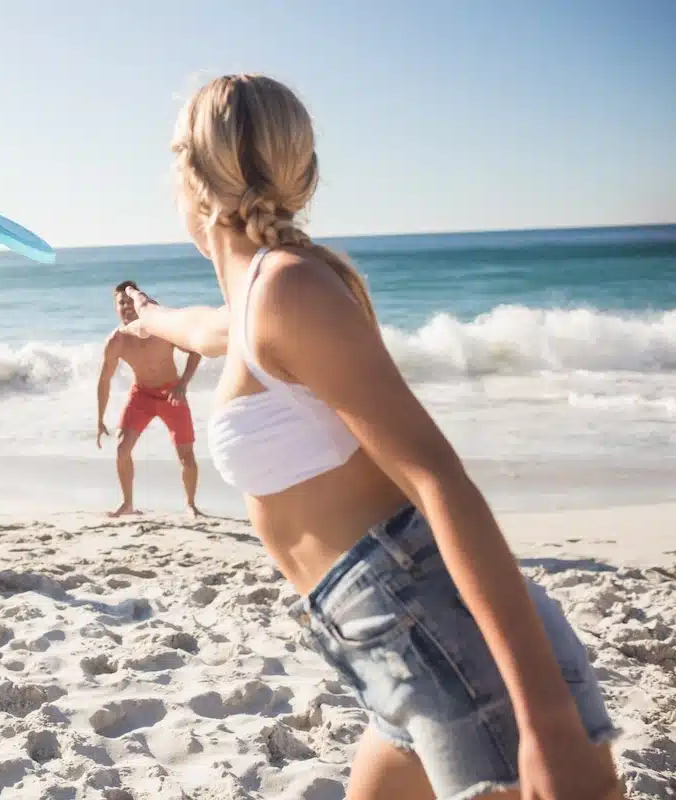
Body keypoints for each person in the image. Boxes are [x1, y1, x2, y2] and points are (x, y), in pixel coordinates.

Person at [122, 74, 622, 800]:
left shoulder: (290, 288)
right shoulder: (261, 296)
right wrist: (147, 313)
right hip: (389, 652)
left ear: (189, 178)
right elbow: (202, 327)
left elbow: (436, 478)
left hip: (444, 641)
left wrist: (544, 718)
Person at [97, 280, 203, 518]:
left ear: (138, 303)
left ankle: (191, 505)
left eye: (129, 302)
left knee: (186, 454)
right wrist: (100, 419)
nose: (126, 307)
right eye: (121, 303)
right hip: (141, 396)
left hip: (171, 394)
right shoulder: (116, 341)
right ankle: (127, 504)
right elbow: (104, 380)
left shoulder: (161, 329)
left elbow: (195, 350)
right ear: (115, 307)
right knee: (122, 449)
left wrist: (183, 384)